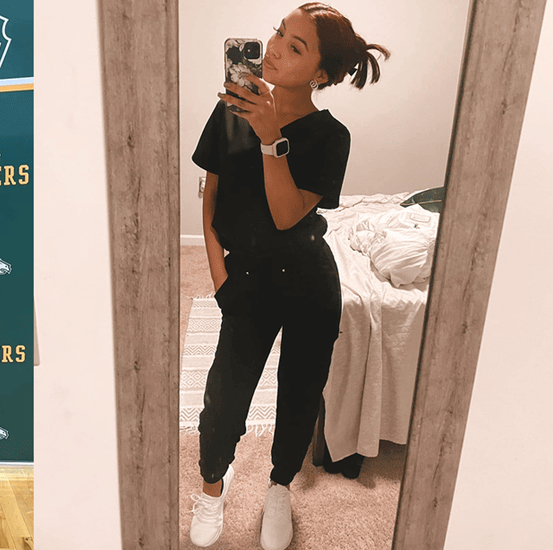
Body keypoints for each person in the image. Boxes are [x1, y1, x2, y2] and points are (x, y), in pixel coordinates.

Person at [188, 4, 388, 549]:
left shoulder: (331, 136)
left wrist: (271, 136)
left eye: (295, 46)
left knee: (299, 392)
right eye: (279, 32)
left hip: (306, 280)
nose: (275, 46)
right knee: (224, 397)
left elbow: (285, 215)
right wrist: (218, 275)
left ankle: (279, 488)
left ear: (321, 74)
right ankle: (211, 490)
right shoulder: (229, 109)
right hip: (245, 280)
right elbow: (210, 195)